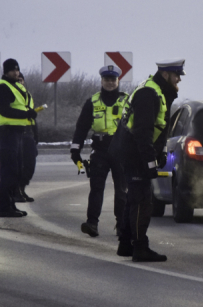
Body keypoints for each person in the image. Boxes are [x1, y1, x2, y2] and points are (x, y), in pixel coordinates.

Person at [110, 59, 184, 262]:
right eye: (177, 75)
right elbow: (142, 131)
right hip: (134, 153)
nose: (179, 79)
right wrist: (150, 161)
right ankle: (140, 247)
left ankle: (126, 243)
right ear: (166, 74)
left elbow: (156, 128)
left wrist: (157, 153)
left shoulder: (156, 91)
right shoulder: (148, 93)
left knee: (135, 198)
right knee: (142, 200)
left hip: (132, 151)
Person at [70, 65, 129, 241]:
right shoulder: (92, 102)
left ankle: (122, 225)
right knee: (96, 188)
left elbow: (137, 127)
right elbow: (81, 129)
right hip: (100, 151)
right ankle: (92, 224)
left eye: (113, 79)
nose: (110, 83)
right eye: (107, 80)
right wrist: (75, 151)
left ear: (118, 81)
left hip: (121, 151)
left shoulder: (127, 102)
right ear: (101, 81)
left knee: (122, 190)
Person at [0, 58, 37, 218]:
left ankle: (11, 205)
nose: (16, 73)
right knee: (8, 171)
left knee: (16, 171)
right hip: (8, 132)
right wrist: (26, 114)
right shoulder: (2, 87)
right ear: (5, 71)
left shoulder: (16, 85)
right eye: (12, 70)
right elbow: (5, 111)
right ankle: (4, 207)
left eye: (17, 70)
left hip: (18, 133)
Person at [15, 72, 38, 203]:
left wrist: (36, 135)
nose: (20, 82)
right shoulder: (11, 94)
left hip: (28, 133)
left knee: (30, 165)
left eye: (21, 80)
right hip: (17, 132)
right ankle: (16, 191)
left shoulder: (28, 95)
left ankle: (22, 189)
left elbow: (32, 116)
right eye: (17, 80)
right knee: (18, 165)